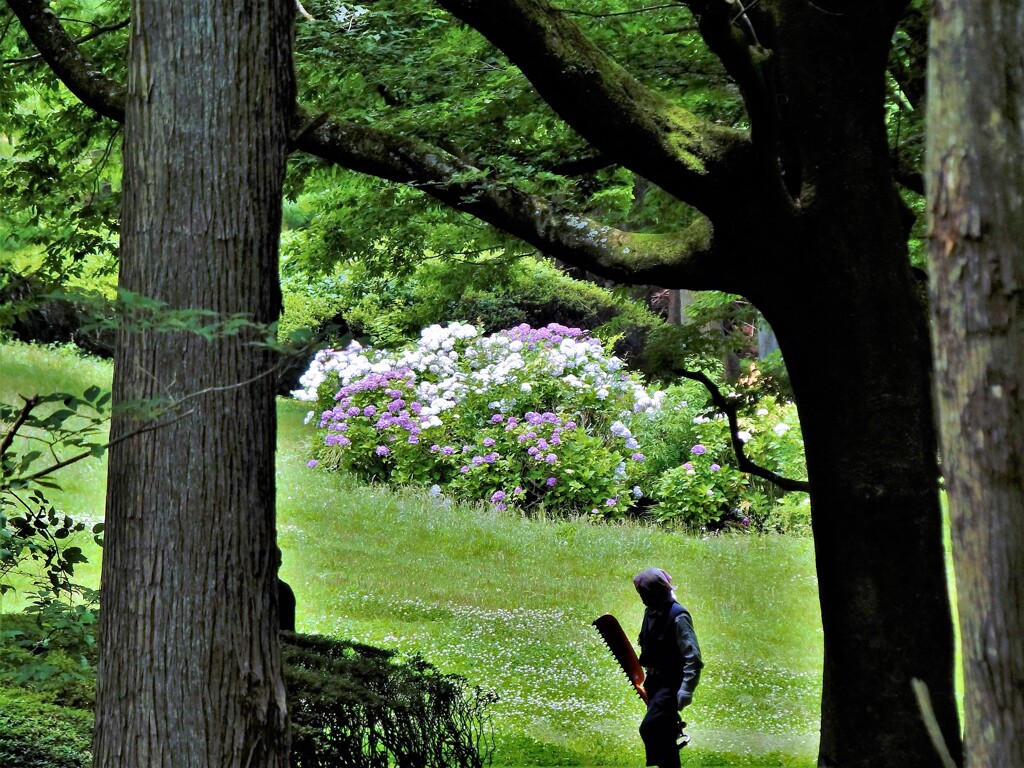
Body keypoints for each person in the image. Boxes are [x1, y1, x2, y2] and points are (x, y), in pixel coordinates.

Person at [634, 567, 703, 768]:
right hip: (655, 682)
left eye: (644, 593)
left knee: (650, 728)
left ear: (655, 591)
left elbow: (693, 658)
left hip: (671, 684)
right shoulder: (651, 611)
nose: (642, 597)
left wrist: (685, 691)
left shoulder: (678, 616)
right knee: (664, 732)